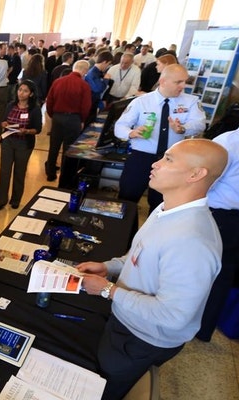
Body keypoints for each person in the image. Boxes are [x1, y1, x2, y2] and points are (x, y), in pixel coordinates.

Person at [76, 139, 228, 400]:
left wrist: (109, 291)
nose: (155, 164)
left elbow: (172, 316)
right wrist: (108, 266)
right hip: (127, 320)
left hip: (142, 338)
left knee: (105, 388)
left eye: (168, 159)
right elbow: (139, 255)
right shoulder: (165, 208)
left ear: (196, 174)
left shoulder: (193, 241)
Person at [115, 64, 206, 212]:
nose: (183, 86)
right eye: (178, 82)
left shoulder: (191, 102)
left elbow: (200, 124)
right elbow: (120, 126)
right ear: (163, 81)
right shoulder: (141, 101)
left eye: (185, 81)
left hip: (172, 161)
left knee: (161, 203)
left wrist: (184, 128)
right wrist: (131, 133)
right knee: (127, 199)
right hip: (140, 159)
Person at [197, 128, 239, 341]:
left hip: (222, 216)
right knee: (225, 273)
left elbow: (205, 180)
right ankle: (205, 329)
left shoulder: (228, 143)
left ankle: (195, 324)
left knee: (204, 269)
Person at [0, 80, 42, 210]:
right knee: (4, 171)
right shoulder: (11, 105)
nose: (21, 93)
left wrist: (26, 131)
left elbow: (37, 129)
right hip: (8, 141)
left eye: (25, 91)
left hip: (24, 143)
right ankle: (2, 199)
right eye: (20, 90)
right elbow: (4, 120)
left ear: (31, 94)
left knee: (19, 172)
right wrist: (4, 124)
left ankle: (15, 200)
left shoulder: (34, 110)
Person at [44, 60, 91, 182]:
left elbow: (49, 101)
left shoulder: (58, 82)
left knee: (53, 147)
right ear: (85, 71)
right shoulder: (84, 85)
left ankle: (50, 173)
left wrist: (53, 115)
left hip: (57, 117)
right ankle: (64, 176)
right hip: (74, 119)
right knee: (68, 149)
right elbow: (86, 106)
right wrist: (82, 120)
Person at [84, 51, 114, 126]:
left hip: (95, 102)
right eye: (108, 64)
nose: (108, 67)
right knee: (88, 124)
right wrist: (106, 79)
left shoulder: (98, 72)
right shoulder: (93, 73)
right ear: (104, 62)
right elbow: (98, 89)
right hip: (90, 102)